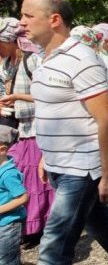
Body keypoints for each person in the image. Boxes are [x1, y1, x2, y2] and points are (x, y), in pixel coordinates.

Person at [21, 0, 108, 264]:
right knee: (103, 226)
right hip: (60, 164)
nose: (21, 22)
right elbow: (55, 113)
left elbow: (103, 120)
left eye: (27, 15)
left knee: (53, 249)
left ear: (54, 19)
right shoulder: (45, 58)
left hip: (80, 169)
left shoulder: (82, 60)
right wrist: (47, 156)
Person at [0, 17, 54, 248]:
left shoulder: (32, 60)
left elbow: (47, 95)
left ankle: (39, 228)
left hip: (37, 127)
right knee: (23, 176)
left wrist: (17, 97)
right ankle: (30, 226)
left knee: (36, 181)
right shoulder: (7, 64)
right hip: (20, 127)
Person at [0, 125, 28, 265]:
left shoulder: (8, 174)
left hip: (8, 224)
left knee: (7, 260)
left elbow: (23, 197)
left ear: (2, 150)